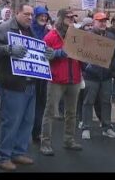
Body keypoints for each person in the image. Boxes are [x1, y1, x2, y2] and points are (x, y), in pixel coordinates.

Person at [0, 4, 48, 171]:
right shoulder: (4, 28)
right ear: (17, 12)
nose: (30, 17)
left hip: (30, 83)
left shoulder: (30, 31)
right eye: (26, 14)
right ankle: (4, 156)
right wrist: (9, 49)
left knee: (27, 121)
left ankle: (18, 152)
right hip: (12, 84)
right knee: (11, 121)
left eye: (32, 15)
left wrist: (46, 53)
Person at [40, 8, 83, 156]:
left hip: (74, 78)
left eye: (73, 18)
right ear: (61, 19)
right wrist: (58, 53)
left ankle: (69, 140)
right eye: (69, 18)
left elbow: (82, 54)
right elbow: (44, 55)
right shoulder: (50, 36)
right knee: (50, 112)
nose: (72, 20)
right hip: (56, 79)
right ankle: (45, 143)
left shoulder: (77, 36)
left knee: (71, 112)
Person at [81, 12, 115, 140]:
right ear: (94, 22)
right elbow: (80, 55)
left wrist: (111, 70)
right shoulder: (87, 37)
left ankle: (106, 127)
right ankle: (86, 127)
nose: (103, 23)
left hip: (106, 77)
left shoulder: (111, 37)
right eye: (100, 21)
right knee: (88, 102)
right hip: (91, 76)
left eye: (104, 21)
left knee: (106, 102)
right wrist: (86, 68)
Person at [29, 6, 51, 144]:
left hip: (43, 75)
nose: (43, 18)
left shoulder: (48, 32)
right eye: (41, 16)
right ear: (36, 17)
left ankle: (36, 132)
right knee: (29, 103)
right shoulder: (29, 30)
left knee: (41, 104)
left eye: (45, 16)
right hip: (29, 74)